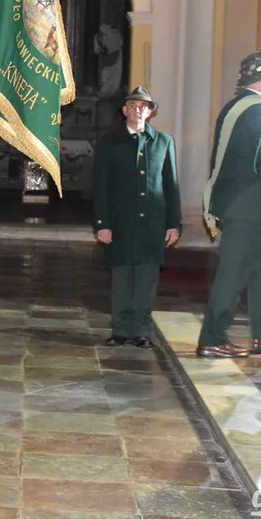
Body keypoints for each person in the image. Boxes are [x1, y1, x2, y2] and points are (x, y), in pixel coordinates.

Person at [198, 51, 261, 358]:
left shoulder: (235, 107)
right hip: (246, 206)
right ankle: (212, 337)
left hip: (233, 201)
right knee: (233, 273)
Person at [93, 86, 182, 348]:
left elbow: (171, 185)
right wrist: (102, 223)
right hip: (120, 222)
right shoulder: (110, 142)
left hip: (152, 223)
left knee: (146, 279)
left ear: (150, 112)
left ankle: (141, 329)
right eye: (133, 105)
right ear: (124, 110)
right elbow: (101, 186)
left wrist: (173, 223)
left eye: (144, 106)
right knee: (121, 278)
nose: (138, 110)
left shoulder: (163, 142)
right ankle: (120, 329)